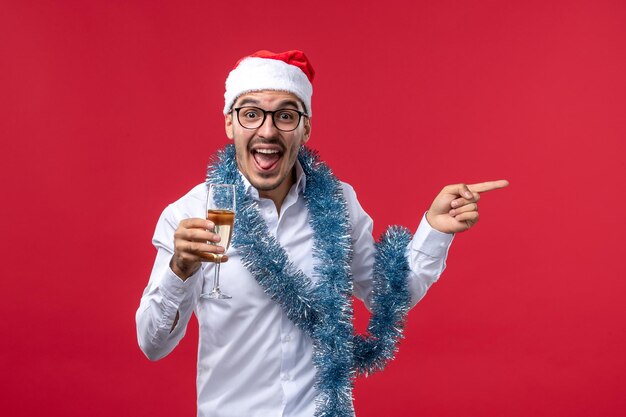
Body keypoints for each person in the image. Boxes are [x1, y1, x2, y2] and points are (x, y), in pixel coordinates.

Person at [136, 50, 508, 417]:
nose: (267, 130)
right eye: (251, 114)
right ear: (230, 124)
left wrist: (435, 229)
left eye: (285, 115)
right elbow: (153, 344)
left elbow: (390, 296)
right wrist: (179, 269)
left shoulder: (339, 203)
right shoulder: (189, 215)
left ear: (305, 127)